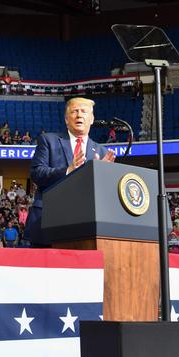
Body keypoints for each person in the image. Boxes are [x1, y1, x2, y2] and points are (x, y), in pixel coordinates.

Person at [24, 97, 114, 246]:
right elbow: (37, 173)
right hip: (48, 221)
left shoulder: (102, 151)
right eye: (74, 111)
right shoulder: (48, 140)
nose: (79, 115)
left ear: (91, 119)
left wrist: (100, 174)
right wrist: (68, 170)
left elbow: (103, 194)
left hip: (86, 225)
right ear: (66, 119)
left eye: (84, 112)